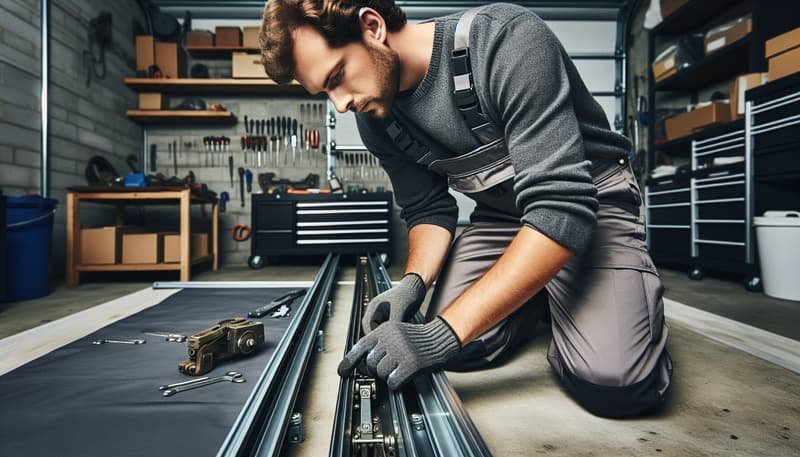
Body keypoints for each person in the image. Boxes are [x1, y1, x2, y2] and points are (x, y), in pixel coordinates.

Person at [259, 0, 672, 417]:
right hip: (503, 219)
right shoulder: (377, 117)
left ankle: (576, 293)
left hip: (589, 205)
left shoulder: (504, 40)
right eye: (325, 92)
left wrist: (437, 336)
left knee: (615, 385)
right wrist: (413, 283)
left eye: (337, 77)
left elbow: (560, 208)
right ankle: (538, 292)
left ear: (372, 26)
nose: (340, 104)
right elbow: (427, 208)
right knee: (461, 349)